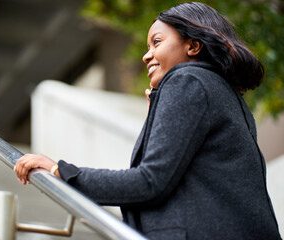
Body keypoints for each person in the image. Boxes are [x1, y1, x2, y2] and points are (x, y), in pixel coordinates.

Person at [14, 2, 282, 239]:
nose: (146, 55)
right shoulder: (226, 96)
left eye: (157, 42)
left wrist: (60, 172)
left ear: (193, 45)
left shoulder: (187, 80)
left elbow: (149, 181)